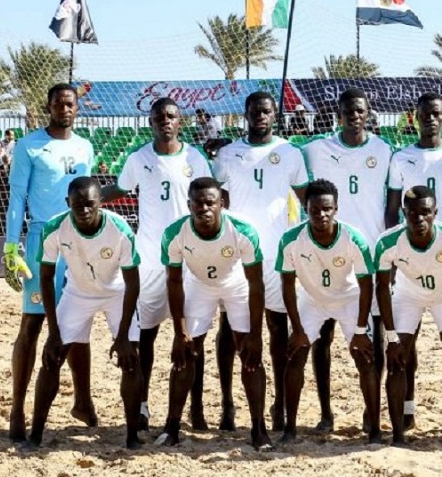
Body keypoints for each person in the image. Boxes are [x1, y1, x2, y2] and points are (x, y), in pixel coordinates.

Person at [101, 97, 212, 432]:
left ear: (181, 122)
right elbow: (118, 190)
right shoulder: (139, 159)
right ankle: (144, 406)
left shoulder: (196, 158)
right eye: (158, 117)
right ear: (150, 123)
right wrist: (85, 196)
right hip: (150, 260)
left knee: (193, 339)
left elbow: (213, 198)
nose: (165, 121)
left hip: (189, 262)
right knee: (145, 336)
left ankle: (195, 407)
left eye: (171, 116)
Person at [4, 83, 96, 442]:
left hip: (79, 240)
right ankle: (17, 408)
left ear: (77, 108)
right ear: (49, 106)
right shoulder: (29, 146)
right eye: (58, 103)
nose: (64, 109)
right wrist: (11, 247)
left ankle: (83, 400)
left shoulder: (85, 145)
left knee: (79, 321)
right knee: (32, 323)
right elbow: (16, 198)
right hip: (42, 240)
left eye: (70, 104)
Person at [213, 91, 309, 432]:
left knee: (277, 329)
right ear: (246, 114)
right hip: (236, 254)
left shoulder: (289, 153)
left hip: (276, 254)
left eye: (266, 111)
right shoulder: (227, 154)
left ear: (274, 115)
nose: (260, 116)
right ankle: (227, 403)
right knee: (229, 329)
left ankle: (280, 403)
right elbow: (216, 200)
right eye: (254, 111)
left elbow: (305, 197)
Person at [155, 177, 272, 450]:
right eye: (197, 203)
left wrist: (256, 334)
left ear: (222, 204)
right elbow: (174, 282)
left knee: (250, 355)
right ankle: (171, 427)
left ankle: (258, 428)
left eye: (210, 203)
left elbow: (256, 283)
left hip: (235, 284)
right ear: (189, 205)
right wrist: (178, 331)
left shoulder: (243, 231)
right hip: (199, 284)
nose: (204, 208)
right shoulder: (175, 234)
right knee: (186, 353)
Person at [301, 88, 392, 433]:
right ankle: (326, 412)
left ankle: (373, 412)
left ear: (368, 113)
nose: (354, 115)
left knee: (375, 338)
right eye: (348, 111)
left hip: (368, 257)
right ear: (338, 115)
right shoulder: (315, 149)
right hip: (326, 255)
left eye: (360, 110)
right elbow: (294, 176)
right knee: (321, 336)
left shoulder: (384, 151)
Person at [28, 177, 142, 448]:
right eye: (77, 204)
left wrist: (124, 335)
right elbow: (45, 277)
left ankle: (132, 436)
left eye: (90, 204)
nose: (84, 210)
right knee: (52, 358)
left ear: (101, 202)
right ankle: (35, 435)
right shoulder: (56, 227)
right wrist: (53, 333)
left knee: (130, 360)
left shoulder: (120, 230)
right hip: (77, 293)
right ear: (68, 203)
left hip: (116, 293)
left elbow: (133, 283)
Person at [385, 92, 442, 430]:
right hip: (409, 261)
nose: (431, 119)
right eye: (425, 114)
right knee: (406, 344)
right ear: (416, 117)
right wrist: (394, 262)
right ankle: (407, 410)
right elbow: (392, 211)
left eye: (436, 114)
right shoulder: (401, 158)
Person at [277, 179, 381, 444]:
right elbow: (287, 286)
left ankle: (375, 426)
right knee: (295, 355)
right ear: (306, 208)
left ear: (336, 208)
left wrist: (360, 330)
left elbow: (366, 285)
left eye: (327, 209)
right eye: (315, 209)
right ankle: (290, 428)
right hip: (312, 300)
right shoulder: (291, 240)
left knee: (365, 357)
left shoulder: (353, 238)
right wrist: (298, 329)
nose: (321, 215)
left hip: (349, 299)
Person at [376, 185, 442, 447]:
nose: (419, 219)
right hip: (407, 297)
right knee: (397, 360)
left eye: (425, 213)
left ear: (436, 212)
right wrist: (391, 337)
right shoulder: (388, 242)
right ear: (403, 213)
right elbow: (382, 289)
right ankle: (398, 434)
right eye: (412, 213)